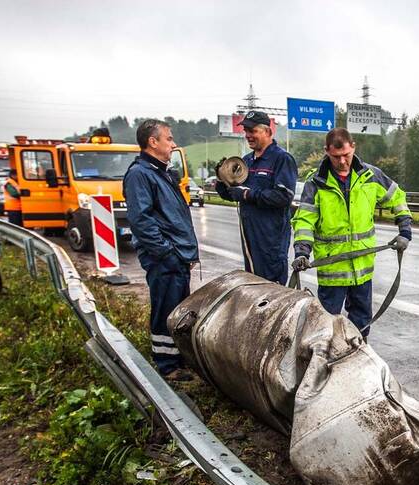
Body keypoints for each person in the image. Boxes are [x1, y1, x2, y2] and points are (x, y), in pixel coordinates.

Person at [291, 128, 412, 339]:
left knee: (362, 321)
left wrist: (405, 230)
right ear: (326, 152)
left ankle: (358, 357)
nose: (342, 161)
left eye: (346, 155)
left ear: (353, 147)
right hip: (332, 270)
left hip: (362, 268)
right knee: (327, 326)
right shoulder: (316, 183)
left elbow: (397, 197)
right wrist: (302, 252)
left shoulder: (371, 176)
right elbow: (304, 221)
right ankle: (327, 365)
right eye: (336, 157)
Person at [123, 119, 199, 380]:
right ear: (152, 142)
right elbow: (141, 221)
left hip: (176, 256)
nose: (173, 143)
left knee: (177, 311)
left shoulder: (161, 172)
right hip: (165, 259)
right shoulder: (140, 175)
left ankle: (178, 358)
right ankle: (167, 366)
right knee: (166, 310)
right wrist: (166, 253)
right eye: (168, 138)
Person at [215, 110, 298, 284]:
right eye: (246, 131)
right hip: (250, 239)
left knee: (271, 293)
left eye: (252, 131)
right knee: (253, 288)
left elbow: (283, 197)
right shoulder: (246, 161)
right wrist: (222, 183)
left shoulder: (282, 159)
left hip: (271, 241)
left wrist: (247, 194)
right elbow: (235, 194)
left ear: (268, 132)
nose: (248, 135)